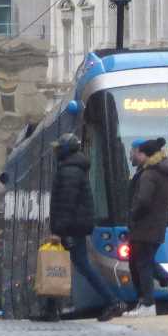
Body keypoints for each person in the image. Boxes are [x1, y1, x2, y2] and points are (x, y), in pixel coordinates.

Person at [47, 133, 125, 322]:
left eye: (59, 148)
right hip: (76, 226)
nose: (56, 151)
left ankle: (113, 301)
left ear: (65, 149)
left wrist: (58, 231)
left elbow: (66, 203)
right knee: (63, 263)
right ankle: (50, 308)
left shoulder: (69, 171)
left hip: (71, 228)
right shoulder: (74, 168)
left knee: (67, 264)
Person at [124, 137, 168, 317]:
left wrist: (133, 215)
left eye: (138, 153)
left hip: (144, 226)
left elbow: (143, 200)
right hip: (156, 225)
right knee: (143, 262)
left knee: (143, 263)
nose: (136, 155)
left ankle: (148, 304)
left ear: (145, 155)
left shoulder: (148, 174)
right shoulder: (165, 173)